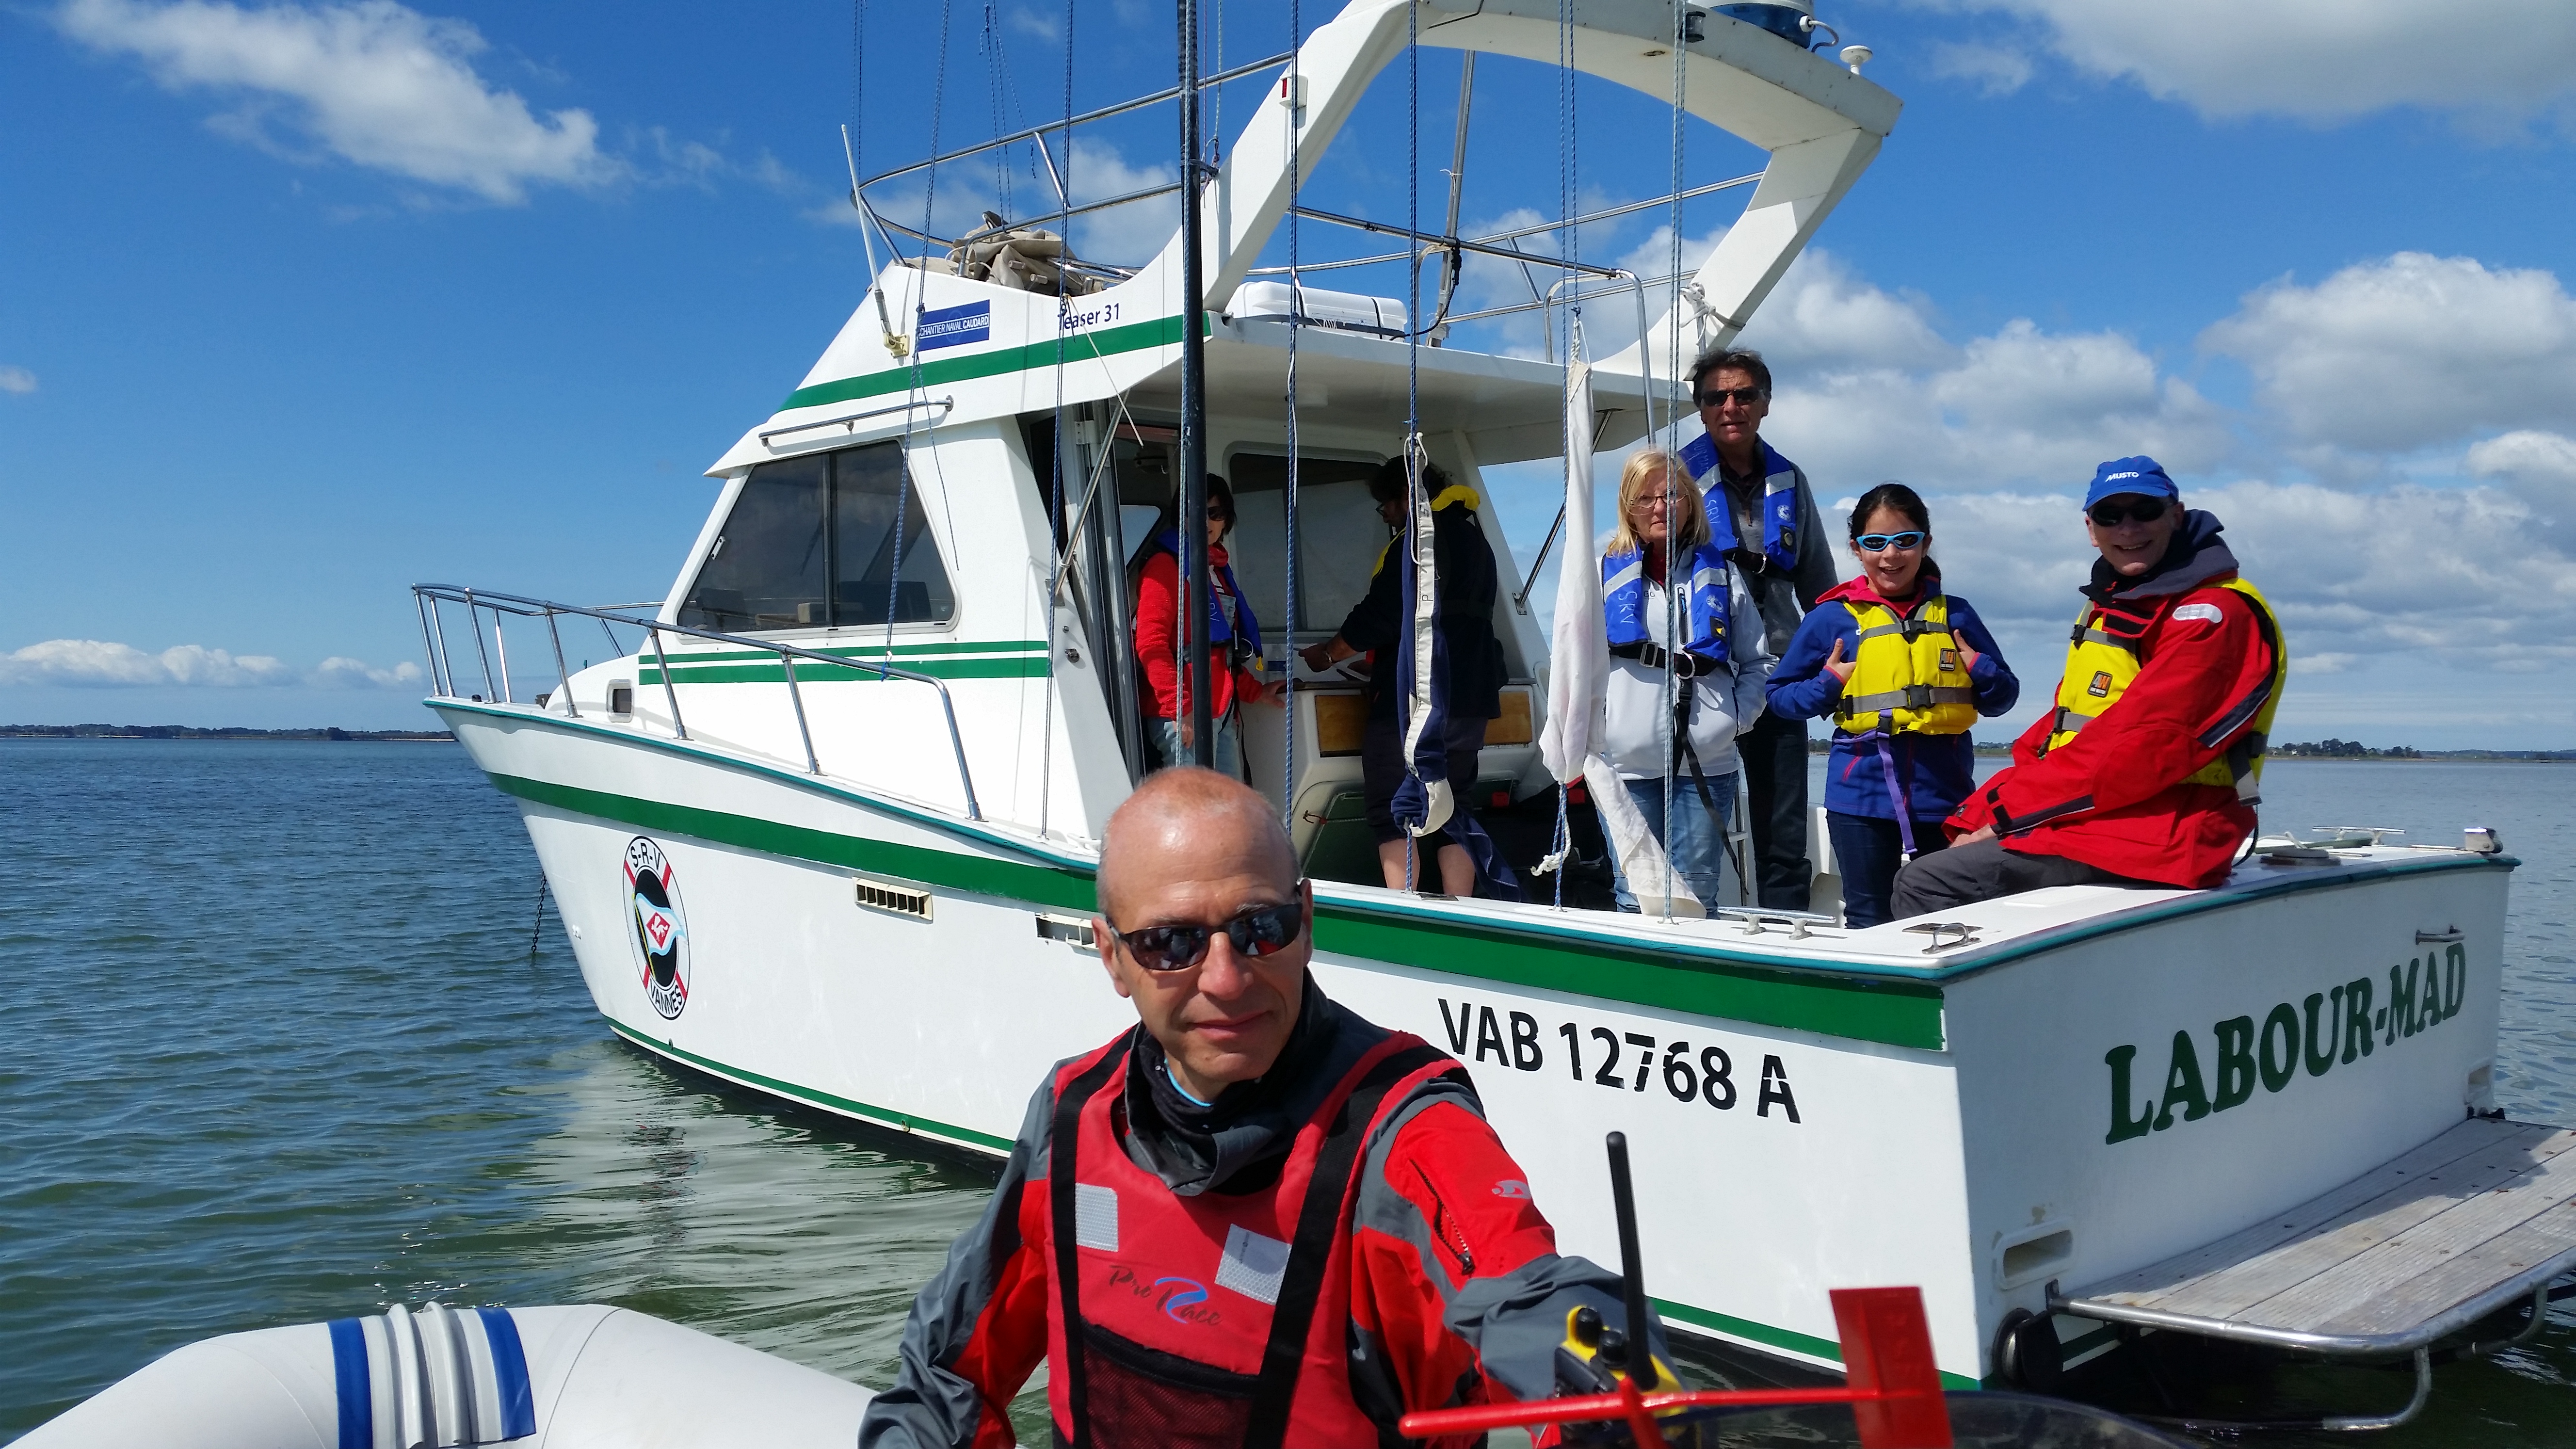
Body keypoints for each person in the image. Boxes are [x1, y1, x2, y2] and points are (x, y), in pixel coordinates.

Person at [856, 768, 1672, 1449]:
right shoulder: (1074, 1112)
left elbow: (1518, 1284)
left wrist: (1608, 1369)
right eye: (1170, 943)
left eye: (1259, 928)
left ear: (1306, 921)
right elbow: (945, 1377)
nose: (1225, 978)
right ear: (1112, 957)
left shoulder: (1404, 1135)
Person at [1890, 457, 2286, 918]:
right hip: (2107, 820)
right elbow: (2060, 731)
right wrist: (1983, 810)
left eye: (2145, 511)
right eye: (2110, 516)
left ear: (2176, 516)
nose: (2128, 528)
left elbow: (2145, 747)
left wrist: (2005, 814)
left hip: (2171, 828)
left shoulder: (2214, 615)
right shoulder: (2118, 604)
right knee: (1953, 838)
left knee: (1925, 882)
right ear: (2091, 529)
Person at [1764, 484, 2019, 928]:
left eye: (1905, 541)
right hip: (1859, 799)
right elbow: (1780, 698)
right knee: (1869, 918)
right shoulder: (1831, 618)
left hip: (1946, 798)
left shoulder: (1957, 616)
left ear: (1925, 544)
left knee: (1948, 917)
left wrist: (1981, 670)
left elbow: (2003, 699)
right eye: (1876, 543)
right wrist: (1827, 685)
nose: (1891, 555)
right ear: (1856, 549)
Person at [1298, 456, 1507, 896]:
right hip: (1472, 696)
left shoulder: (1416, 542)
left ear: (1407, 498)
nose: (1386, 516)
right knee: (1455, 806)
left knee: (1392, 807)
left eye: (1387, 505)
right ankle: (1462, 908)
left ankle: (1404, 906)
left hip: (1418, 699)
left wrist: (1329, 654)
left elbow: (1382, 614)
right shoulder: (1476, 540)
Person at [1677, 348, 1838, 912]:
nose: (1731, 406)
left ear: (1764, 404)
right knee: (1692, 824)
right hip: (1702, 678)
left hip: (1778, 677)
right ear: (1700, 408)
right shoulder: (1673, 481)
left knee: (1783, 832)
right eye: (1716, 397)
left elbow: (1819, 584)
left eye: (1744, 395)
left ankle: (1786, 934)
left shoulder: (1789, 481)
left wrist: (1836, 668)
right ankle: (1688, 935)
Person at [1597, 449, 1772, 912]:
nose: (1659, 507)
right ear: (1628, 507)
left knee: (1696, 897)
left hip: (1707, 766)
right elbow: (1576, 669)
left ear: (1690, 503)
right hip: (1626, 768)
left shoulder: (1723, 576)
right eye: (1645, 498)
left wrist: (1734, 721)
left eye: (1671, 495)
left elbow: (1759, 661)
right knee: (1635, 896)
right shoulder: (1599, 577)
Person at [1134, 474, 1282, 775]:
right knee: (1196, 804)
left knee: (1228, 802)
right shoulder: (1165, 566)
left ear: (1226, 520)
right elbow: (1151, 644)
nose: (1206, 521)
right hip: (1184, 715)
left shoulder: (1217, 571)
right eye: (1196, 511)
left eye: (1215, 513)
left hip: (1221, 714)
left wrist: (1256, 693)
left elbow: (1220, 655)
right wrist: (1181, 708)